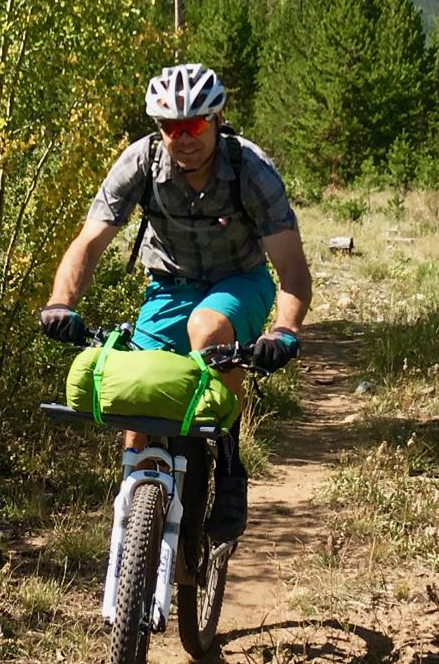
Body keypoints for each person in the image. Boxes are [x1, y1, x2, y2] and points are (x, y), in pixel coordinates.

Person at [39, 62, 311, 543]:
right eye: (170, 126)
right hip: (168, 285)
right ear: (158, 127)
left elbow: (291, 269)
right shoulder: (140, 162)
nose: (183, 137)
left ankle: (229, 465)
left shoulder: (251, 169)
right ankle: (134, 530)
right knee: (136, 392)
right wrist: (61, 302)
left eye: (194, 124)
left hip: (240, 280)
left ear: (218, 119)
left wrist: (284, 330)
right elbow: (89, 242)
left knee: (207, 330)